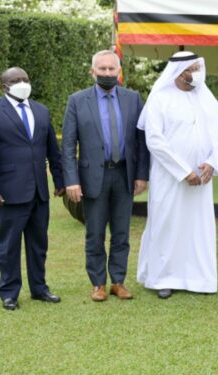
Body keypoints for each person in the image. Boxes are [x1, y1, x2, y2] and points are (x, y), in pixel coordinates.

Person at [136, 51, 218, 299]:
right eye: (193, 68)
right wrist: (184, 171)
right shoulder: (160, 99)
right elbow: (154, 140)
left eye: (199, 67)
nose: (198, 73)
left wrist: (211, 162)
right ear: (180, 72)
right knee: (167, 223)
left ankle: (200, 277)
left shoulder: (207, 99)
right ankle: (163, 278)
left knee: (199, 227)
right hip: (170, 177)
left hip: (202, 177)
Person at [62, 50, 150, 302]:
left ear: (119, 71)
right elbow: (68, 145)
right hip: (93, 178)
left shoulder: (133, 99)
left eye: (112, 69)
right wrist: (71, 180)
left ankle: (118, 281)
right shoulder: (77, 101)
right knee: (95, 233)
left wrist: (142, 175)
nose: (107, 73)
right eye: (102, 69)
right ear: (93, 71)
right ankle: (98, 283)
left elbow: (142, 141)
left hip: (124, 175)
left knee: (122, 232)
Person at [0, 67, 65, 310]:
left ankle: (40, 288)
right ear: (4, 86)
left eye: (25, 79)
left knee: (38, 244)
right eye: (15, 80)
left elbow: (52, 152)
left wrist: (60, 181)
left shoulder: (41, 111)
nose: (22, 83)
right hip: (8, 194)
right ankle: (9, 292)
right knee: (9, 245)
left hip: (39, 192)